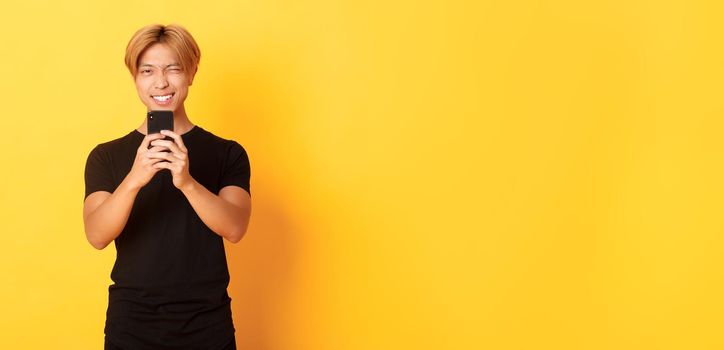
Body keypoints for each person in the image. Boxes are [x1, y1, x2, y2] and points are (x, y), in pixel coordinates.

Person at [82, 23, 252, 350]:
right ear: (135, 78)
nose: (161, 82)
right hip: (132, 323)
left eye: (173, 69)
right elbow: (97, 235)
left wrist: (187, 182)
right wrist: (135, 178)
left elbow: (235, 227)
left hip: (207, 321)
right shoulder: (106, 156)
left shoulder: (227, 152)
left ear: (191, 73)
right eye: (147, 71)